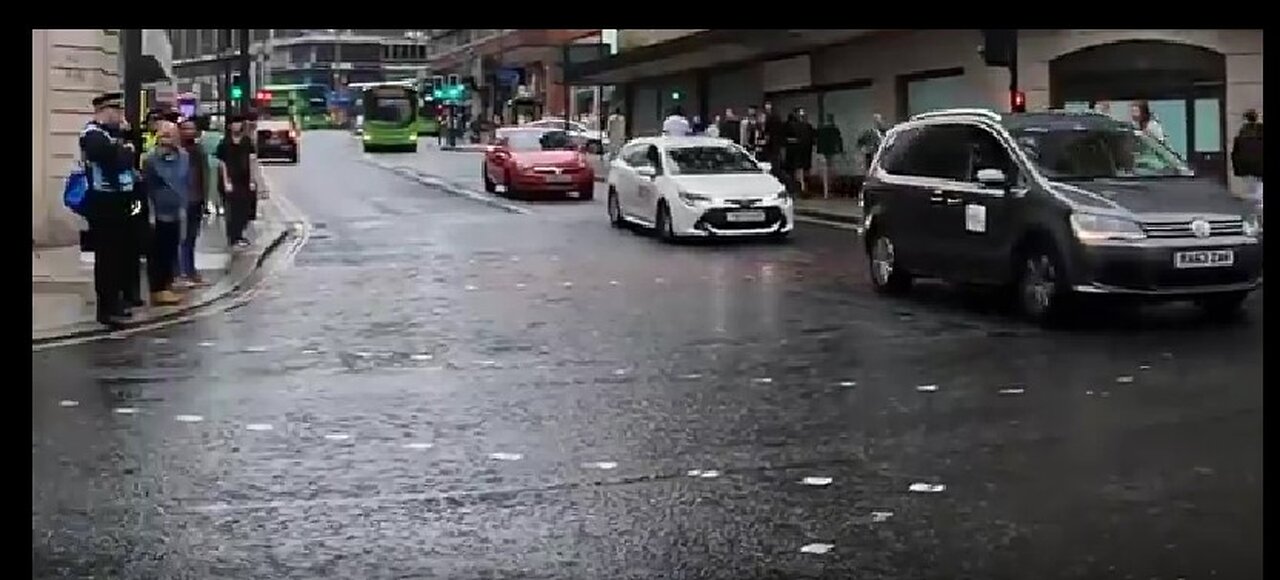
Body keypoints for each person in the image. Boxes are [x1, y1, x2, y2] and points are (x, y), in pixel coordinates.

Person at [79, 92, 141, 327]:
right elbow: (116, 157)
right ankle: (106, 308)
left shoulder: (113, 134)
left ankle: (118, 300)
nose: (121, 116)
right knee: (107, 257)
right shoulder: (92, 134)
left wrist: (125, 143)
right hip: (103, 203)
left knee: (121, 253)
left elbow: (132, 151)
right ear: (106, 111)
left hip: (121, 201)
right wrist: (124, 149)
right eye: (118, 112)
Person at [141, 122, 190, 305]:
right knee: (157, 253)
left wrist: (184, 208)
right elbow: (147, 189)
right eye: (163, 136)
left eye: (170, 136)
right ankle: (157, 288)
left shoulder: (184, 157)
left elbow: (184, 183)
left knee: (171, 249)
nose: (165, 140)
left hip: (177, 211)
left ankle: (168, 284)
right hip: (158, 211)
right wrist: (151, 213)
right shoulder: (150, 160)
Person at [216, 114, 259, 249]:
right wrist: (226, 181)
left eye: (239, 123)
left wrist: (253, 179)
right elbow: (222, 163)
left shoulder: (247, 141)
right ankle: (233, 237)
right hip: (230, 180)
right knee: (231, 210)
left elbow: (252, 160)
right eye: (234, 123)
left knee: (244, 209)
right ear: (229, 126)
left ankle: (239, 234)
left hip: (244, 180)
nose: (237, 126)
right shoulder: (224, 143)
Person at [177, 118, 210, 287]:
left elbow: (205, 175)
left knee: (191, 238)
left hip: (196, 200)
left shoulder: (199, 151)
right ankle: (182, 272)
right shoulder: (176, 152)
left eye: (192, 129)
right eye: (185, 129)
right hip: (180, 201)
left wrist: (205, 199)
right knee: (181, 238)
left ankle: (190, 270)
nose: (189, 132)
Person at [1232, 109, 1264, 201]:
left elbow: (1235, 153)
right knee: (1258, 188)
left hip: (1246, 165)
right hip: (1260, 165)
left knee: (1251, 187)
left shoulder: (1242, 133)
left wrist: (1237, 169)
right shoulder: (1260, 132)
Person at [785, 108, 816, 194]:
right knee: (801, 170)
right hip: (801, 152)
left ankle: (802, 187)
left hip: (800, 152)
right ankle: (803, 187)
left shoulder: (795, 126)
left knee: (800, 170)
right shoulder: (806, 126)